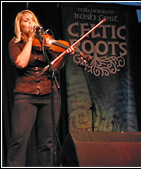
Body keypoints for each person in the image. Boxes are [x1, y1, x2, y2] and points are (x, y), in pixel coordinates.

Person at [7, 9, 75, 166]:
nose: (31, 23)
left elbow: (55, 68)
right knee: (19, 140)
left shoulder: (46, 43)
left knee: (47, 143)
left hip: (49, 94)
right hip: (25, 95)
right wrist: (30, 39)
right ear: (19, 25)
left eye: (32, 20)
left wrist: (64, 55)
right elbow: (21, 63)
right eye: (26, 21)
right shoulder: (15, 43)